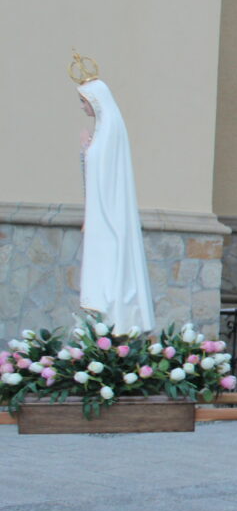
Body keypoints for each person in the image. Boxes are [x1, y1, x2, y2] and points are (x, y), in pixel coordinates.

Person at [73, 55, 155, 332]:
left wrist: (87, 151)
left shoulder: (108, 129)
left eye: (84, 101)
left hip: (109, 215)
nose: (82, 106)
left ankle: (115, 321)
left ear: (95, 101)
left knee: (113, 270)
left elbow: (104, 171)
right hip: (103, 213)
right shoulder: (104, 128)